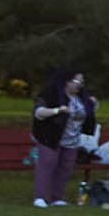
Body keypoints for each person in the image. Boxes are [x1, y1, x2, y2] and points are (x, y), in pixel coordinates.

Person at [30, 68, 88, 207]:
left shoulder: (80, 98)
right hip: (50, 138)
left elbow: (87, 114)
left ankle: (57, 198)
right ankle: (41, 197)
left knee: (65, 169)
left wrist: (92, 105)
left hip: (72, 140)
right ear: (66, 81)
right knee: (47, 165)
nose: (79, 84)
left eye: (82, 82)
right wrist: (57, 110)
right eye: (77, 81)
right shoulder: (51, 95)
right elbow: (39, 113)